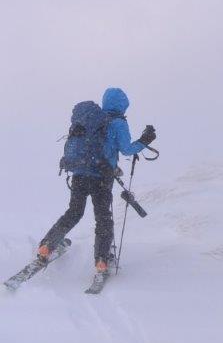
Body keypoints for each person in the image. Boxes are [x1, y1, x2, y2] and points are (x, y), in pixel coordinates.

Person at [37, 87, 156, 274]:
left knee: (74, 212)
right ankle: (101, 260)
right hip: (101, 179)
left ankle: (46, 246)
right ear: (123, 106)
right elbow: (126, 149)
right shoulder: (118, 123)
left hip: (79, 173)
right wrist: (144, 140)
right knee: (103, 218)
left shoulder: (90, 120)